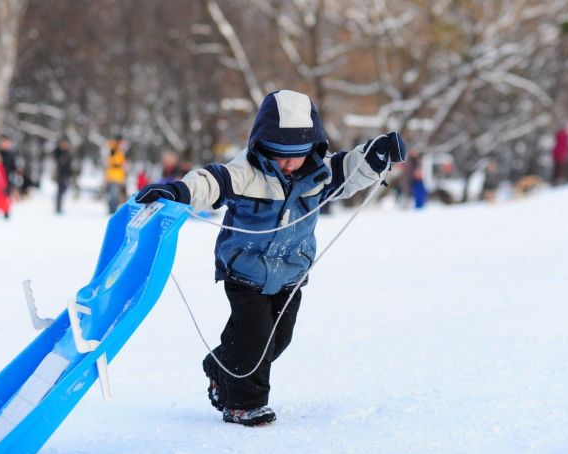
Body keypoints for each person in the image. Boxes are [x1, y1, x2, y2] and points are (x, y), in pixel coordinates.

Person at [134, 90, 405, 426]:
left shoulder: (318, 175)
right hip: (245, 270)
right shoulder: (245, 172)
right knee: (255, 339)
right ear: (262, 145)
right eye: (279, 155)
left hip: (290, 272)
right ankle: (244, 404)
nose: (288, 163)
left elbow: (350, 170)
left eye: (296, 155)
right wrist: (178, 192)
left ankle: (220, 367)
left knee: (278, 339)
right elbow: (209, 183)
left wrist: (376, 155)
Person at [105, 136, 127, 214]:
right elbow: (112, 161)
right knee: (113, 195)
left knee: (116, 195)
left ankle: (112, 209)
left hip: (118, 177)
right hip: (113, 176)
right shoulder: (114, 150)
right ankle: (112, 210)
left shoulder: (120, 151)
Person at [551, 121, 568, 186]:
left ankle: (558, 181)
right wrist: (563, 155)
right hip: (559, 155)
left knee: (559, 169)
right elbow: (562, 147)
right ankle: (557, 182)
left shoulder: (563, 135)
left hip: (560, 155)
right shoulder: (563, 135)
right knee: (559, 169)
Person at [53, 138, 73, 214]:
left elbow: (69, 164)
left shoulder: (68, 153)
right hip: (60, 174)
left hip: (66, 174)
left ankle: (59, 206)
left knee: (64, 189)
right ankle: (58, 207)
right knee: (60, 191)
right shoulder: (57, 152)